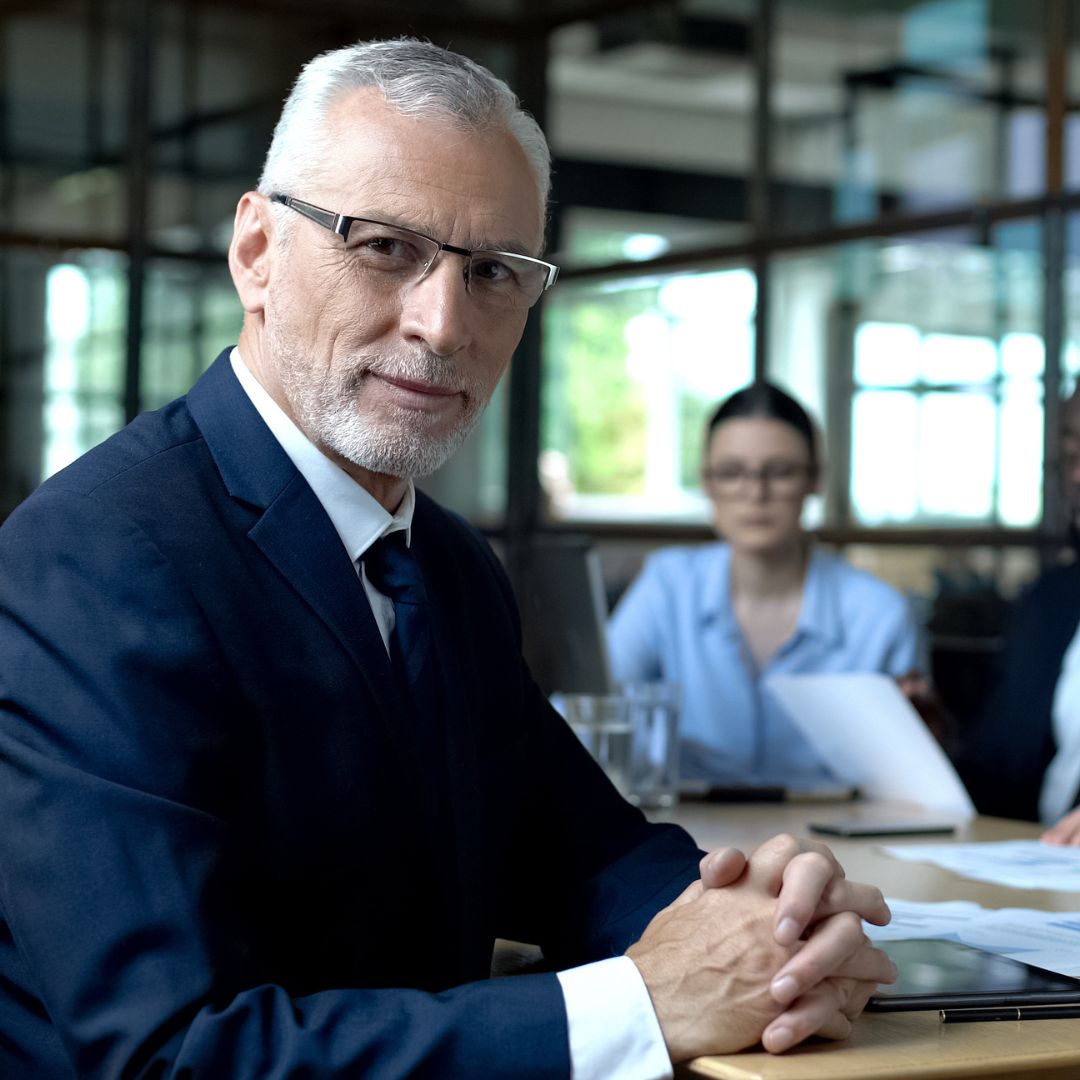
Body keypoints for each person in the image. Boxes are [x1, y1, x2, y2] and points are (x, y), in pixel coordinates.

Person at [0, 40, 894, 1078]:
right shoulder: (89, 559)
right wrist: (638, 1008)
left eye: (494, 272)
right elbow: (171, 1054)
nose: (442, 323)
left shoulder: (447, 562)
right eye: (384, 247)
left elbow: (582, 851)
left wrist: (773, 915)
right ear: (256, 251)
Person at [608, 382, 920, 789]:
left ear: (815, 479)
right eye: (731, 472)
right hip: (689, 831)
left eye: (781, 472)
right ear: (707, 483)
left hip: (837, 837)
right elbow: (596, 708)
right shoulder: (667, 584)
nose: (755, 493)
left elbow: (910, 777)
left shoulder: (879, 614)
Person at [951, 385, 1080, 832]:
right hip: (1033, 877)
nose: (1077, 477)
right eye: (1070, 453)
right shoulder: (1051, 602)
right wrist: (932, 741)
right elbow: (998, 774)